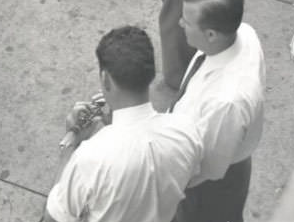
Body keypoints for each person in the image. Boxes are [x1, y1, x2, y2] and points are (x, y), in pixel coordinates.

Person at [43, 26, 202, 222]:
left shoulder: (89, 159)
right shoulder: (186, 131)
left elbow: (52, 217)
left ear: (105, 79)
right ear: (151, 74)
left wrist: (70, 145)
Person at [173, 0, 265, 222]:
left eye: (187, 21)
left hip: (209, 189)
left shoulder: (226, 103)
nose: (180, 23)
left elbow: (207, 168)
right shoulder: (244, 32)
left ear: (211, 34)